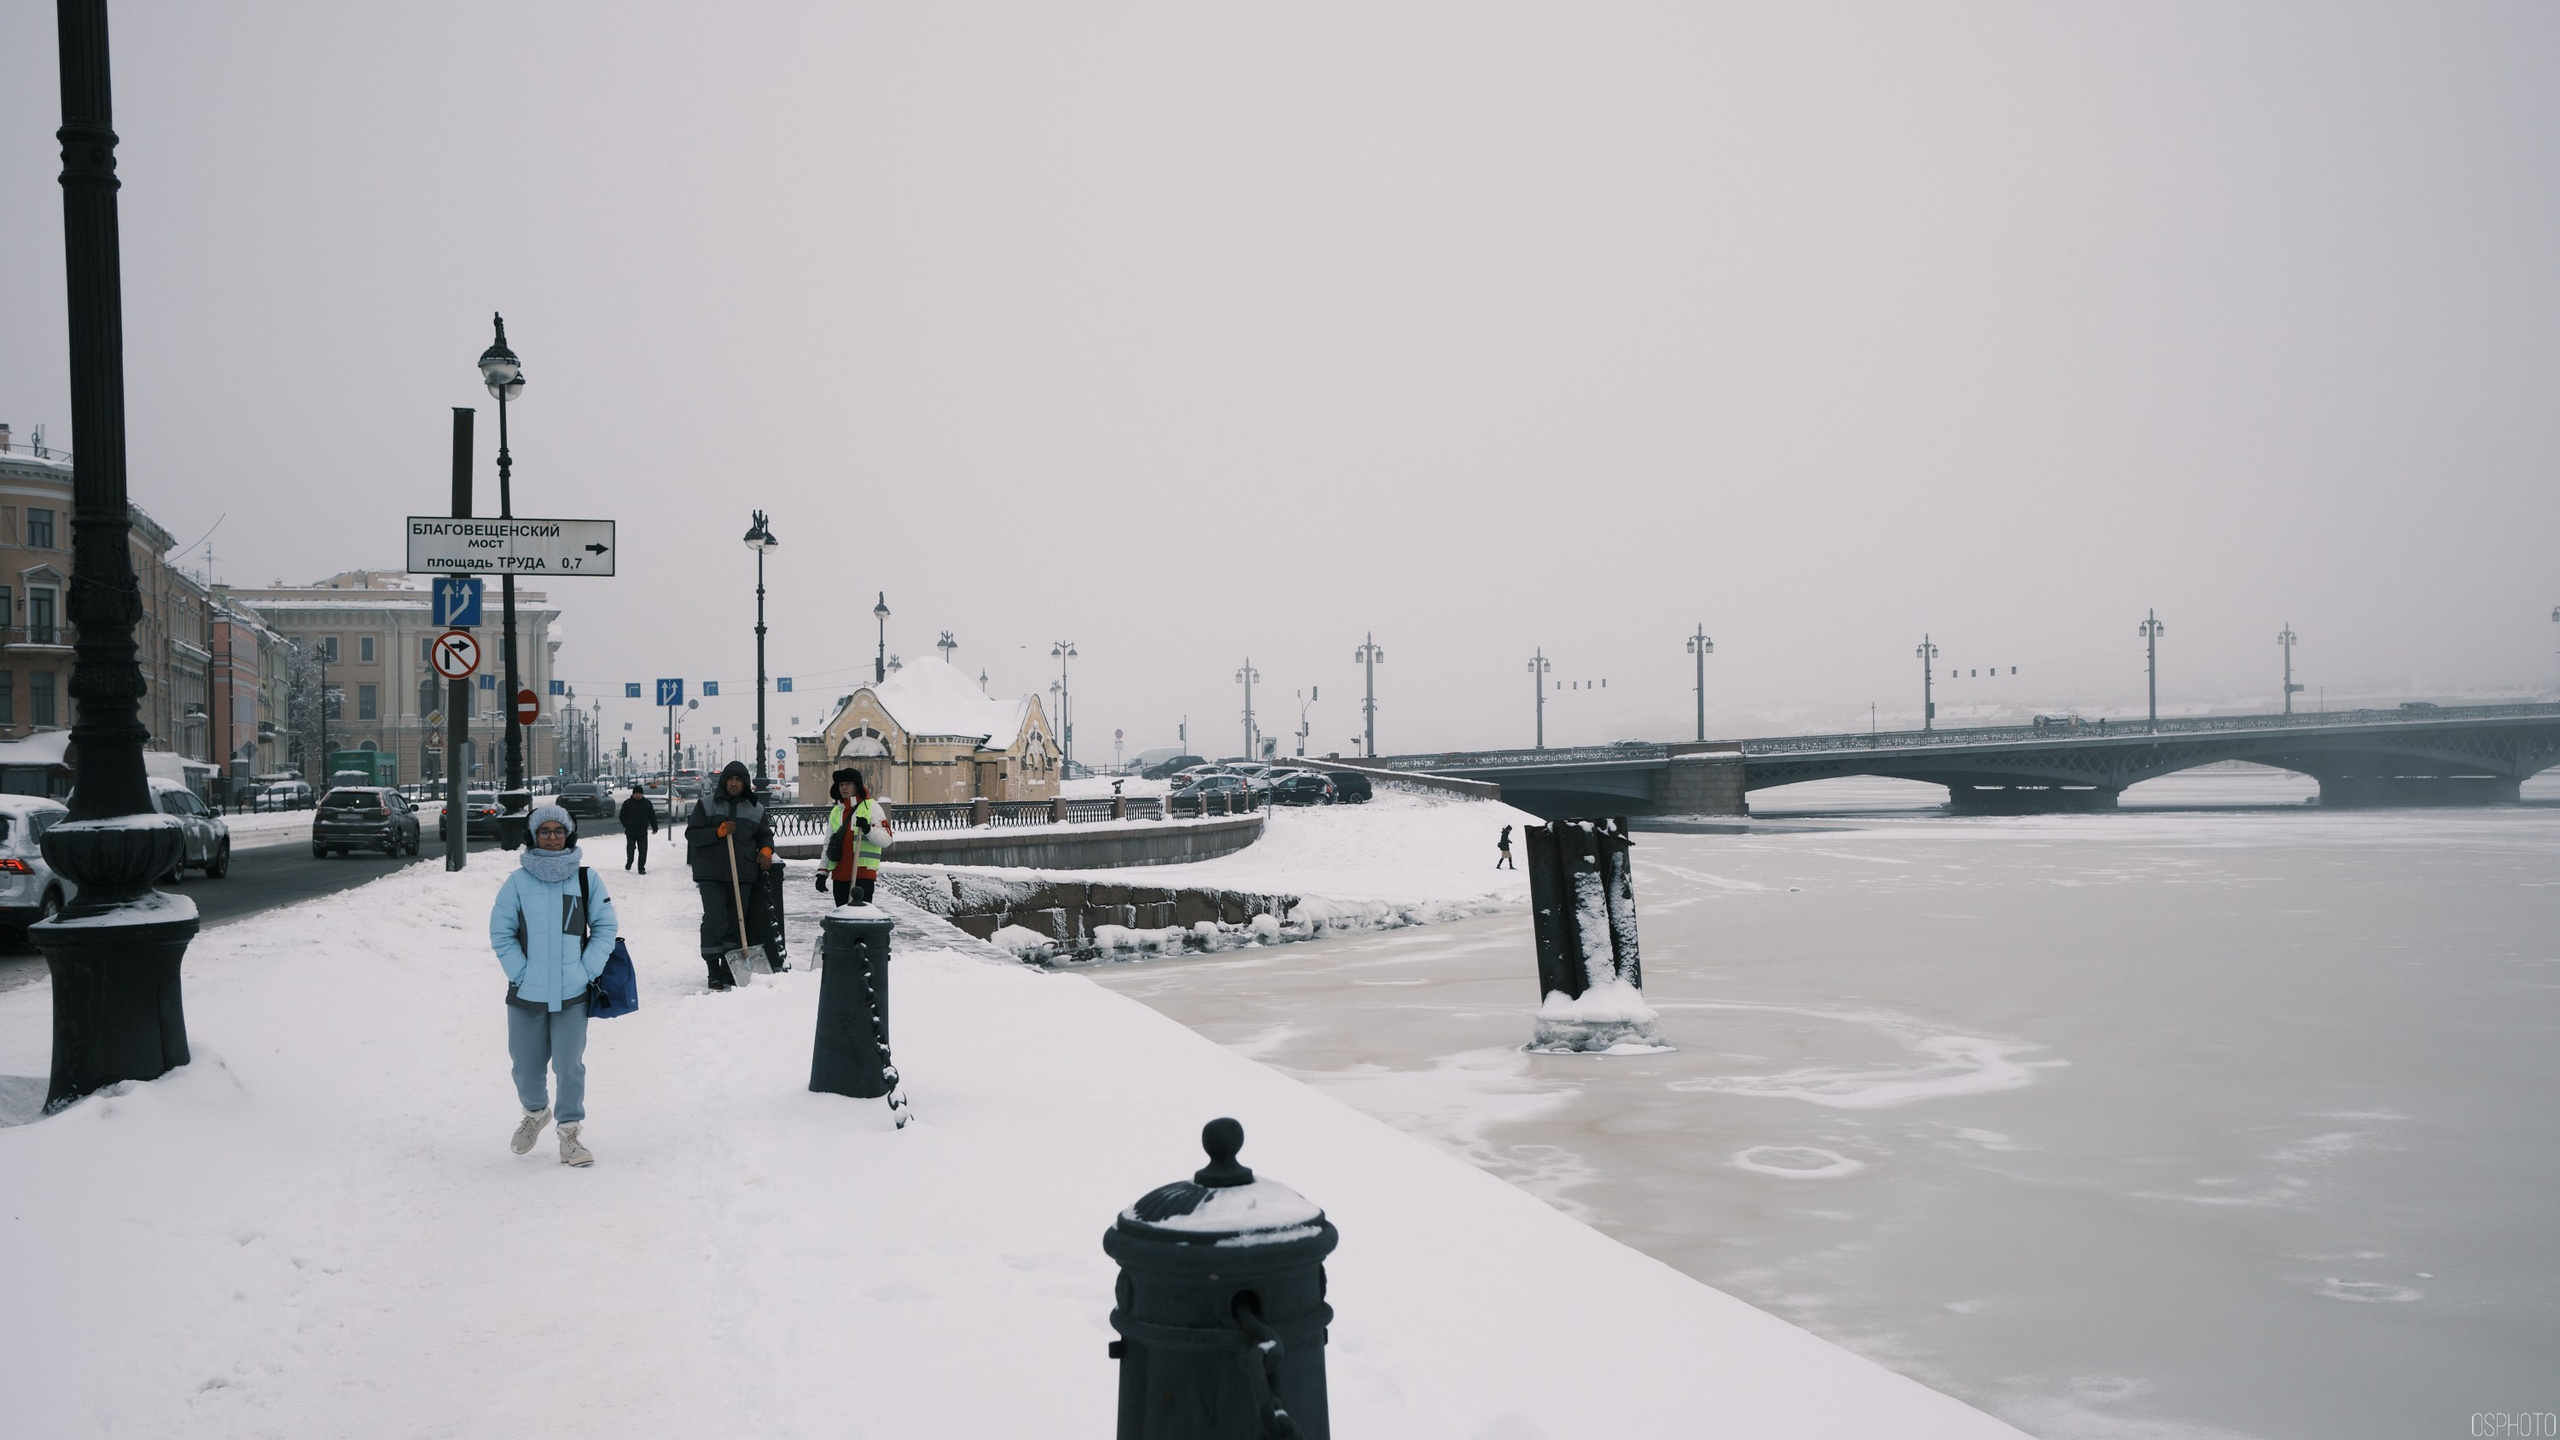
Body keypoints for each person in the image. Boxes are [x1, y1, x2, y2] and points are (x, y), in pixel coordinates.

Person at [490, 804, 618, 1168]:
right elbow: (501, 933)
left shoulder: (585, 879)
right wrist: (520, 973)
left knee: (569, 1066)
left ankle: (569, 1132)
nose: (552, 837)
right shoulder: (517, 882)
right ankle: (535, 1113)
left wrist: (585, 971)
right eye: (544, 831)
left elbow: (605, 928)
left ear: (568, 835)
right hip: (525, 994)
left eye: (558, 831)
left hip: (573, 994)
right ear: (533, 836)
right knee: (525, 1068)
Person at [686, 759, 781, 989]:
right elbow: (692, 834)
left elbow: (764, 835)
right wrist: (716, 833)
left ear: (745, 783)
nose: (734, 784)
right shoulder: (706, 804)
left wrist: (766, 850)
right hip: (711, 873)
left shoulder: (755, 808)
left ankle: (729, 966)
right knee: (714, 919)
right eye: (730, 779)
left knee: (737, 920)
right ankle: (713, 967)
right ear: (724, 781)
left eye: (738, 780)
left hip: (742, 872)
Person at [813, 766, 891, 906]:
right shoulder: (836, 811)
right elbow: (828, 844)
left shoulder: (871, 807)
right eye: (841, 784)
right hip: (839, 875)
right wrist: (822, 872)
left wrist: (868, 829)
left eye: (848, 784)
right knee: (842, 915)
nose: (844, 788)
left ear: (857, 786)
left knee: (861, 916)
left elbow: (887, 839)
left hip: (863, 874)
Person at [618, 784, 655, 873]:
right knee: (630, 849)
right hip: (630, 831)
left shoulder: (647, 803)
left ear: (642, 794)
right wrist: (626, 825)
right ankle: (629, 862)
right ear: (633, 794)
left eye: (639, 793)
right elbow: (622, 816)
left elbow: (652, 816)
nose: (638, 795)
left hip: (642, 831)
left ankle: (641, 868)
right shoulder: (627, 803)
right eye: (636, 793)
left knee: (643, 851)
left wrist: (655, 827)